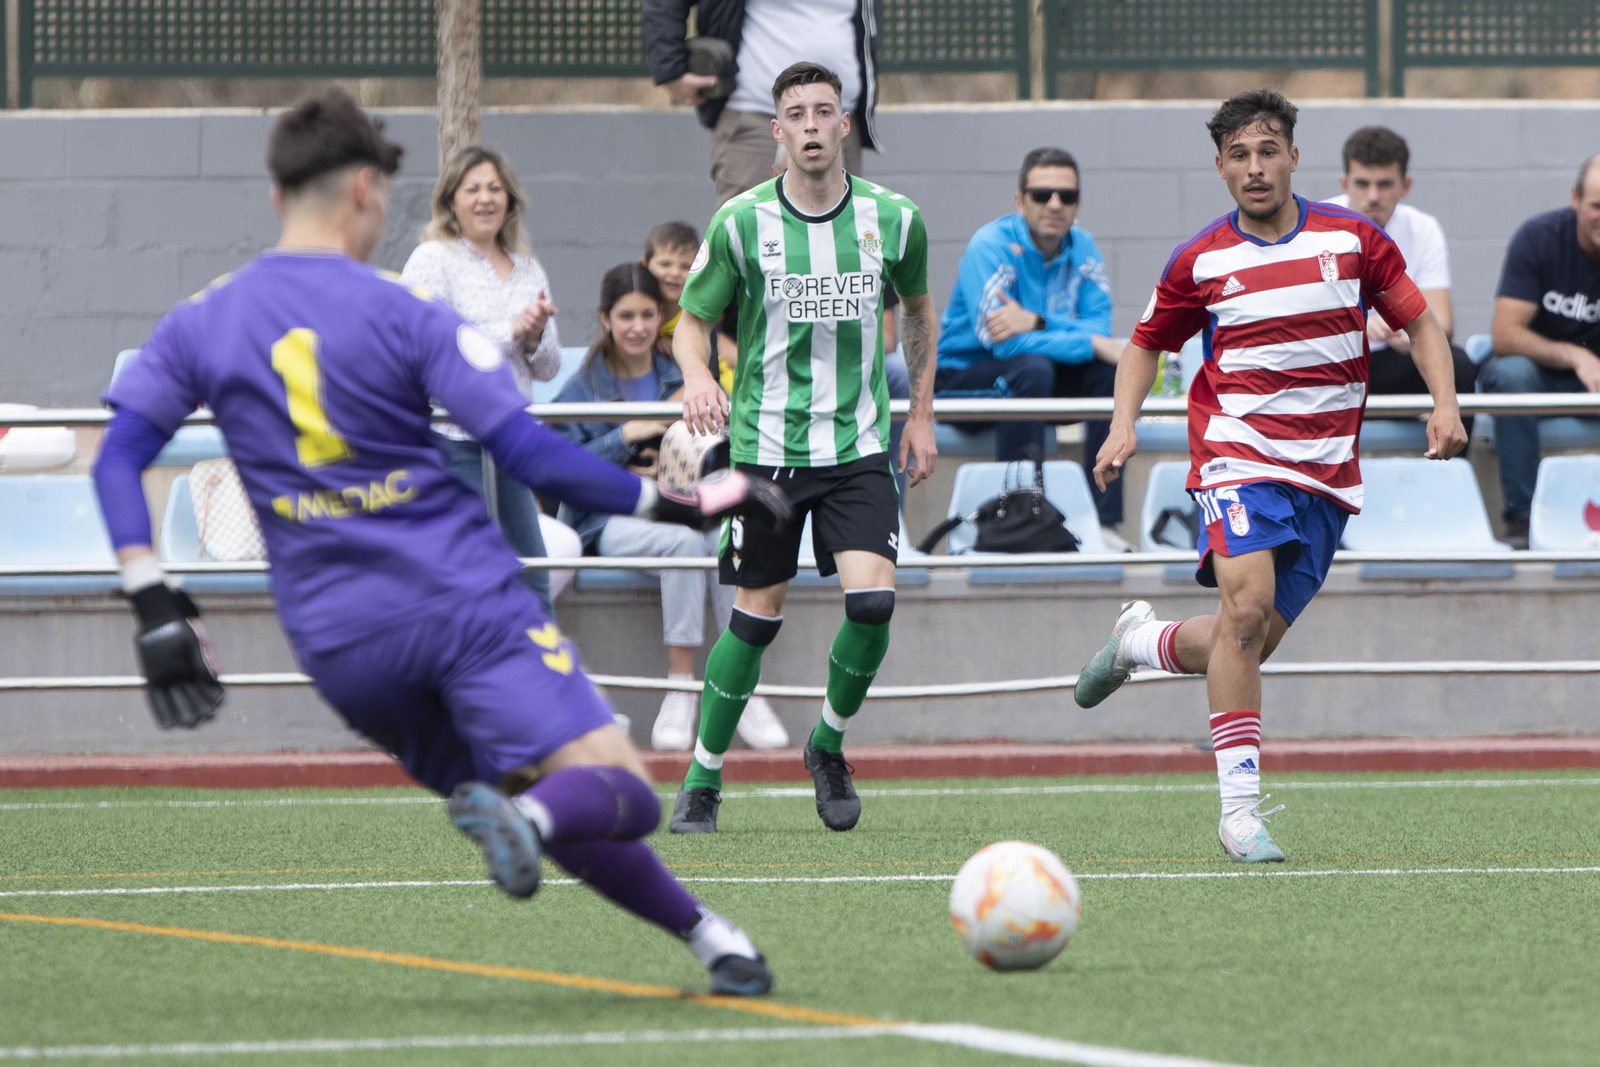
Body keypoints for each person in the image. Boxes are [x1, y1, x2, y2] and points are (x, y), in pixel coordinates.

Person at [90, 89, 791, 995]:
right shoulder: (406, 309)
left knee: (524, 792)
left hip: (341, 645)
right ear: (368, 194)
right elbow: (529, 449)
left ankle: (709, 938)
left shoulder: (202, 317)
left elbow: (119, 458)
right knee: (618, 792)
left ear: (276, 198)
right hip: (461, 602)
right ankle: (539, 832)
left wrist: (151, 597)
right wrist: (690, 504)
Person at [1077, 89, 1466, 863]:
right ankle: (1240, 812)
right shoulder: (1199, 259)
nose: (1255, 168)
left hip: (1324, 474)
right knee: (1246, 610)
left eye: (1268, 151)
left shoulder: (1354, 241)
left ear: (1293, 156)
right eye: (1239, 155)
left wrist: (1445, 405)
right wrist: (1123, 423)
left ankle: (1139, 643)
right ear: (1220, 166)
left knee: (1244, 638)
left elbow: (1421, 321)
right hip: (1234, 452)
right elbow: (1145, 344)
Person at [667, 62, 938, 834]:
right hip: (765, 447)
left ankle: (826, 742)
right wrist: (695, 374)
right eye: (797, 113)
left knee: (874, 602)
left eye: (826, 110)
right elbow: (692, 320)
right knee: (754, 618)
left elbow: (917, 312)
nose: (813, 125)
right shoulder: (741, 221)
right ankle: (703, 779)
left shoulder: (895, 219)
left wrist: (919, 415)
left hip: (857, 444)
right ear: (778, 131)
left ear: (845, 124)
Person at [553, 263, 788, 753]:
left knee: (723, 534)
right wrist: (626, 435)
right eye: (625, 316)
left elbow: (730, 442)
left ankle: (741, 681)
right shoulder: (583, 388)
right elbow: (561, 468)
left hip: (685, 507)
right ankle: (682, 685)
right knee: (686, 540)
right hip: (612, 519)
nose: (637, 326)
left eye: (647, 314)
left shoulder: (682, 377)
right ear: (604, 319)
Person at [400, 144, 567, 612]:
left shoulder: (528, 266)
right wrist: (509, 330)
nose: (485, 199)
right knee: (469, 572)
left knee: (531, 570)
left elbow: (548, 367)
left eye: (495, 188)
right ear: (450, 200)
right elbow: (426, 351)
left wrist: (534, 336)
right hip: (453, 440)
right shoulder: (433, 259)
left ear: (511, 199)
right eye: (471, 189)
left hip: (510, 439)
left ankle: (543, 678)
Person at [934, 147, 1127, 541]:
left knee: (1110, 374)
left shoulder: (1083, 247)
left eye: (1067, 196)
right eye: (1042, 194)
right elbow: (1006, 345)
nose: (1054, 204)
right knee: (1033, 366)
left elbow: (1099, 330)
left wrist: (1037, 322)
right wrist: (1083, 339)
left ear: (1077, 203)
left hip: (1039, 376)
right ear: (1020, 201)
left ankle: (1104, 524)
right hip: (962, 383)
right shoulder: (988, 246)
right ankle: (1019, 516)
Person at [643, 0, 880, 204]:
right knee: (748, 244)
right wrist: (670, 68)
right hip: (756, 118)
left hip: (838, 122)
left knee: (841, 243)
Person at [1479, 156, 1600, 547]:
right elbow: (1504, 336)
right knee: (1512, 373)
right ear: (1576, 199)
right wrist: (1577, 356)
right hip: (1539, 374)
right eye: (1597, 205)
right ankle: (1521, 520)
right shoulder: (1540, 237)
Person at [1326, 126, 1477, 406]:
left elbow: (1442, 324)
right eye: (1362, 184)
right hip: (1335, 363)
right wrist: (1363, 325)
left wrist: (1410, 331)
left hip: (1391, 362)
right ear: (1344, 184)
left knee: (1459, 365)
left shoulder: (1423, 228)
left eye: (1384, 184)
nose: (1372, 196)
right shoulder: (1317, 227)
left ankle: (1449, 450)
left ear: (1405, 186)